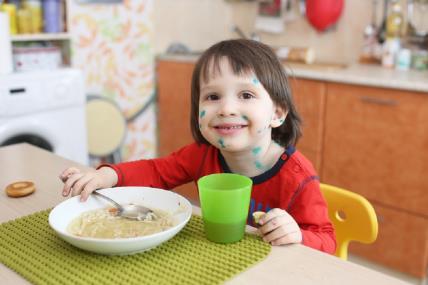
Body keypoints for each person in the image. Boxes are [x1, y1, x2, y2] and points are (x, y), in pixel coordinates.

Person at [60, 39, 336, 254]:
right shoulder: (202, 156)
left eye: (246, 95)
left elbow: (327, 240)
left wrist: (298, 235)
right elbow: (156, 171)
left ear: (277, 113)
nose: (227, 108)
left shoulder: (297, 176)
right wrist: (107, 175)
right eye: (213, 96)